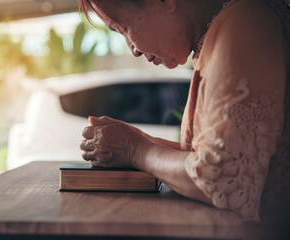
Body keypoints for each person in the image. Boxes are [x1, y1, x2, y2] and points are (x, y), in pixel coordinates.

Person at [79, 0, 290, 222]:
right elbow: (214, 154)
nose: (133, 50)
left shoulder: (245, 20)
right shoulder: (218, 32)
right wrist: (134, 143)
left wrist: (134, 149)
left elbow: (224, 180)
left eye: (124, 28)